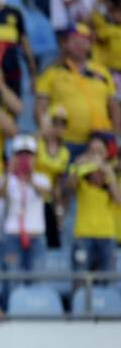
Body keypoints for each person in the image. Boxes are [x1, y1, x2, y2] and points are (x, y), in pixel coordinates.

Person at [35, 24, 120, 162]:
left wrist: (117, 136)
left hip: (100, 142)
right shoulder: (52, 72)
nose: (80, 44)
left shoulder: (102, 72)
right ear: (66, 44)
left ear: (90, 45)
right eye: (75, 40)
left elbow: (114, 106)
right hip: (66, 141)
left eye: (84, 40)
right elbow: (40, 107)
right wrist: (47, 132)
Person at [0, 135, 50, 290]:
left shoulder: (41, 178)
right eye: (20, 155)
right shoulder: (6, 179)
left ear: (35, 157)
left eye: (28, 155)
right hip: (12, 236)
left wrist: (31, 176)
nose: (24, 159)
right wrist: (9, 172)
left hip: (36, 236)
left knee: (37, 282)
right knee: (12, 282)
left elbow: (45, 193)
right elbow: (0, 194)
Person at [68, 136, 121, 272]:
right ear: (86, 153)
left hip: (107, 235)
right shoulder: (78, 169)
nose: (96, 155)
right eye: (92, 151)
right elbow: (69, 189)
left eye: (99, 151)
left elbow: (118, 199)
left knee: (108, 282)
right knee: (80, 278)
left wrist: (107, 172)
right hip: (83, 234)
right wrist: (77, 168)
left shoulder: (112, 172)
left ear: (106, 154)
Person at [36, 106, 71, 248]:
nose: (58, 126)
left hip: (48, 196)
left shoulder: (64, 152)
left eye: (63, 123)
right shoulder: (36, 143)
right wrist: (42, 131)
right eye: (55, 122)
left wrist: (59, 209)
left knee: (53, 233)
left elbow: (57, 180)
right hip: (33, 193)